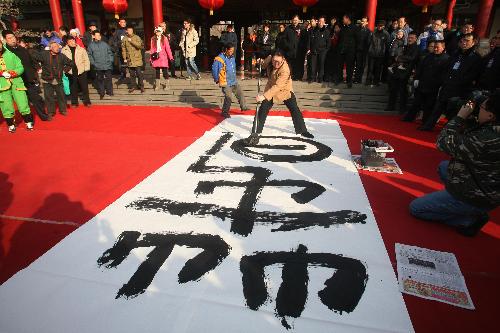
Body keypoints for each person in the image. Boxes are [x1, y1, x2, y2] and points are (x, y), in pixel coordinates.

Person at [409, 91, 500, 237]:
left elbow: (442, 143)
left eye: (481, 107)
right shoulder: (491, 130)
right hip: (488, 186)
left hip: (477, 196)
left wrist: (460, 117)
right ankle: (460, 205)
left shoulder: (486, 139)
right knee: (444, 167)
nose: (477, 109)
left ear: (491, 116)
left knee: (416, 209)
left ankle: (468, 218)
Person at [244, 49, 314, 145]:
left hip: (284, 90)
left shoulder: (285, 70)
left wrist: (264, 96)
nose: (275, 63)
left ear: (283, 59)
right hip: (271, 87)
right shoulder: (271, 58)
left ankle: (303, 131)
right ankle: (256, 130)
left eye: (278, 62)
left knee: (294, 109)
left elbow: (278, 86)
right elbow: (264, 65)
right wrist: (261, 62)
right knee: (263, 108)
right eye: (274, 60)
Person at [419, 33, 483, 131]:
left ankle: (448, 130)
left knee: (452, 111)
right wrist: (445, 80)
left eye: (467, 41)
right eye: (462, 41)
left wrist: (458, 82)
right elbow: (447, 68)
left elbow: (472, 75)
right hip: (447, 85)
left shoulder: (475, 58)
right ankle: (428, 126)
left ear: (473, 42)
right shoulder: (456, 54)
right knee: (438, 108)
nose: (464, 43)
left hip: (460, 89)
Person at [2, 30, 49, 121]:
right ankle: (23, 120)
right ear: (5, 40)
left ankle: (43, 116)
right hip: (14, 81)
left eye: (13, 37)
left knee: (36, 98)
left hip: (28, 79)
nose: (13, 39)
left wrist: (36, 68)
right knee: (17, 102)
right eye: (9, 38)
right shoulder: (5, 52)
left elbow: (30, 60)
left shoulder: (22, 49)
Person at [402, 40, 449, 123]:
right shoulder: (428, 56)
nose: (435, 49)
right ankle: (409, 118)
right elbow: (420, 68)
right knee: (416, 103)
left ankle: (425, 121)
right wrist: (416, 78)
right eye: (434, 47)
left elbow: (445, 74)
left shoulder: (446, 59)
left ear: (443, 48)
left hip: (434, 86)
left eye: (437, 47)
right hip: (422, 83)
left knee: (429, 105)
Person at [0, 39, 34, 132]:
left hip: (16, 83)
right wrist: (1, 73)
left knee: (22, 102)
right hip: (2, 85)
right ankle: (11, 125)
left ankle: (29, 122)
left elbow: (20, 67)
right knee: (6, 105)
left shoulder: (11, 55)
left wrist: (13, 73)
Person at [32, 41, 72, 118]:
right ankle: (51, 111)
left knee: (61, 96)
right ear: (50, 48)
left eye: (57, 47)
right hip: (47, 79)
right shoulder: (44, 54)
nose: (56, 48)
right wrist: (38, 67)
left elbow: (71, 63)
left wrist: (64, 70)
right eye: (54, 47)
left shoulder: (61, 56)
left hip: (58, 79)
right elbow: (34, 57)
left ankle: (63, 110)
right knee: (48, 96)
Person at [212, 43, 249, 118]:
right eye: (231, 51)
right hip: (225, 82)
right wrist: (216, 79)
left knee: (240, 93)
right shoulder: (219, 59)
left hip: (233, 81)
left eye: (233, 51)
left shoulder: (232, 57)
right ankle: (225, 112)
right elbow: (214, 69)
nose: (232, 52)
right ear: (226, 50)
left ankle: (243, 106)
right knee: (229, 97)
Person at [386, 32, 418, 113]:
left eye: (412, 38)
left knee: (403, 91)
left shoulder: (416, 48)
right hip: (398, 70)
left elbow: (412, 58)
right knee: (393, 89)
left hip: (407, 71)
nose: (410, 39)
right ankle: (391, 106)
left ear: (416, 39)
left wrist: (400, 58)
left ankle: (402, 108)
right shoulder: (405, 47)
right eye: (409, 37)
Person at [62, 36, 91, 107]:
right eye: (70, 41)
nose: (72, 42)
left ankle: (87, 101)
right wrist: (65, 69)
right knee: (73, 87)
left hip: (81, 70)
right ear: (67, 43)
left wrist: (86, 68)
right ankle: (74, 102)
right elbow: (62, 61)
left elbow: (86, 59)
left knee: (84, 87)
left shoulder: (81, 49)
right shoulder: (64, 50)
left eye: (73, 40)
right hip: (70, 71)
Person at [87, 30, 114, 99]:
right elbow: (89, 55)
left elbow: (110, 53)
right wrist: (93, 63)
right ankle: (102, 93)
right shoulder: (91, 46)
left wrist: (110, 60)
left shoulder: (105, 44)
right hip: (98, 66)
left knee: (109, 79)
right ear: (93, 36)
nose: (99, 37)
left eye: (99, 35)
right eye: (97, 35)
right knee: (100, 80)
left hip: (107, 64)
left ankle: (110, 91)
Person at [365, 20, 390, 86]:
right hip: (372, 53)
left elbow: (388, 44)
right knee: (370, 68)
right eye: (379, 25)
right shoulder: (373, 32)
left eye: (381, 26)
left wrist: (385, 53)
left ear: (384, 26)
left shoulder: (386, 34)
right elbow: (368, 41)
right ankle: (368, 81)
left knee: (378, 69)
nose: (379, 27)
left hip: (380, 54)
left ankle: (376, 81)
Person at [121, 25, 145, 93]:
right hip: (130, 59)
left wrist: (131, 41)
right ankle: (133, 86)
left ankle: (141, 86)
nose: (130, 32)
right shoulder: (124, 39)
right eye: (128, 30)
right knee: (132, 74)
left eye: (131, 31)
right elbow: (123, 49)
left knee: (139, 74)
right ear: (126, 31)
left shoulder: (137, 37)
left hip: (137, 59)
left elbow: (140, 46)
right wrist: (124, 58)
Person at [337, 13, 358, 88]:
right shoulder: (342, 27)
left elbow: (357, 40)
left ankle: (349, 81)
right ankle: (339, 79)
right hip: (342, 50)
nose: (343, 20)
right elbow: (339, 39)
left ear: (347, 19)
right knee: (340, 66)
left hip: (350, 51)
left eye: (344, 18)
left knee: (350, 67)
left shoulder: (355, 28)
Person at [150, 26, 174, 91]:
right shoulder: (153, 39)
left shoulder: (165, 38)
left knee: (165, 71)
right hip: (156, 57)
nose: (157, 32)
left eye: (159, 31)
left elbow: (168, 49)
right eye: (156, 31)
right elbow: (152, 49)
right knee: (157, 72)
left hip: (163, 57)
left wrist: (171, 58)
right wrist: (151, 59)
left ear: (161, 32)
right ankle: (157, 85)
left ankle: (167, 85)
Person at [308, 16, 330, 83]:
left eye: (322, 22)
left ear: (324, 22)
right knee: (313, 65)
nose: (320, 23)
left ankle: (320, 78)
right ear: (317, 22)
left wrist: (326, 50)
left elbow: (328, 42)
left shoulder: (326, 31)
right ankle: (313, 78)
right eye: (319, 21)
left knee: (321, 65)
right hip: (314, 50)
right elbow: (309, 40)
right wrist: (308, 48)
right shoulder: (313, 30)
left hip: (322, 51)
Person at [282, 15, 302, 80]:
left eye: (296, 20)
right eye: (294, 20)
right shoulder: (288, 28)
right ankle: (288, 76)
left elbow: (304, 39)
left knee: (297, 64)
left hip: (298, 50)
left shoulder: (301, 29)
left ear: (299, 20)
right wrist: (287, 46)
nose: (295, 21)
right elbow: (284, 39)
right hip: (289, 50)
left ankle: (297, 76)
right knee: (289, 64)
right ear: (292, 21)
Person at [354, 16, 371, 84]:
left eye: (364, 21)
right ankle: (356, 79)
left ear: (367, 22)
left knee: (362, 65)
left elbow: (369, 42)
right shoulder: (357, 29)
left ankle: (359, 79)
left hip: (364, 50)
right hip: (357, 49)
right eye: (362, 21)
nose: (363, 22)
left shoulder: (368, 31)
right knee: (357, 65)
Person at [111, 18, 128, 84]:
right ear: (119, 23)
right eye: (122, 22)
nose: (123, 23)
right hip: (121, 50)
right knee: (122, 63)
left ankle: (132, 76)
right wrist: (119, 43)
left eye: (124, 22)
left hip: (129, 50)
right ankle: (123, 75)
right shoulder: (117, 32)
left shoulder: (129, 30)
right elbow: (114, 41)